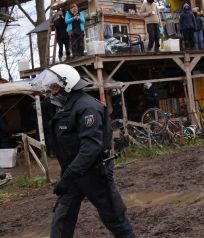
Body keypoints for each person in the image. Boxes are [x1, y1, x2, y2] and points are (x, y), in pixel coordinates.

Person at [30, 64, 134, 238]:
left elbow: (90, 148)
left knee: (114, 218)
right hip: (73, 175)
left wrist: (67, 176)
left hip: (95, 174)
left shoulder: (87, 108)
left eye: (54, 87)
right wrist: (67, 177)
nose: (51, 92)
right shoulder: (65, 108)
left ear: (67, 85)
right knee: (61, 220)